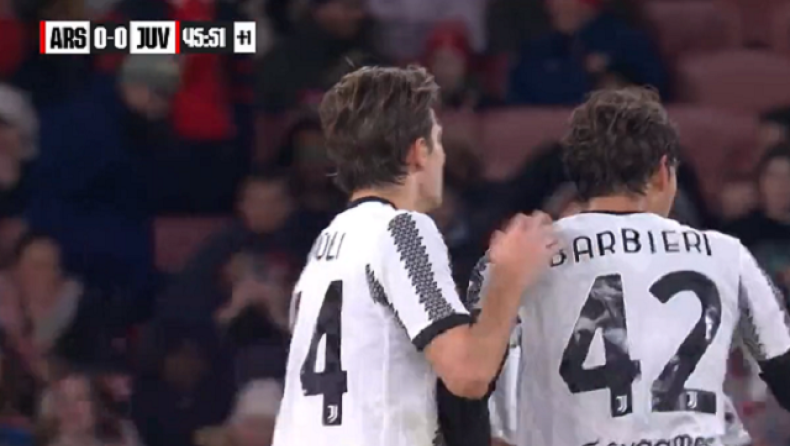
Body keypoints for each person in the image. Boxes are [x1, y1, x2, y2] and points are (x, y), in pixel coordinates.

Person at [469, 87, 790, 446]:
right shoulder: (726, 254)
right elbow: (784, 373)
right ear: (664, 173)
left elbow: (469, 391)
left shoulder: (520, 255)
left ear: (579, 175)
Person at [272, 66, 558, 446]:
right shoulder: (402, 230)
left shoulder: (327, 244)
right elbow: (469, 374)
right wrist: (509, 276)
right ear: (418, 152)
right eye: (437, 141)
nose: (442, 156)